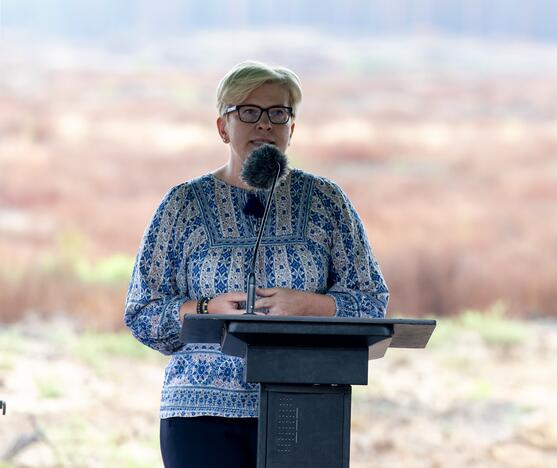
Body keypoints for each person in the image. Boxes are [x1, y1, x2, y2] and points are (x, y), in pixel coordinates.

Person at [124, 61, 388, 467]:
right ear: (222, 127)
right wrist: (207, 308)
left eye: (278, 113)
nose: (264, 124)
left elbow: (372, 303)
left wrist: (310, 306)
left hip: (304, 408)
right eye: (248, 111)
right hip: (199, 416)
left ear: (292, 129)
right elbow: (142, 313)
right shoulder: (182, 206)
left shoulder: (327, 203)